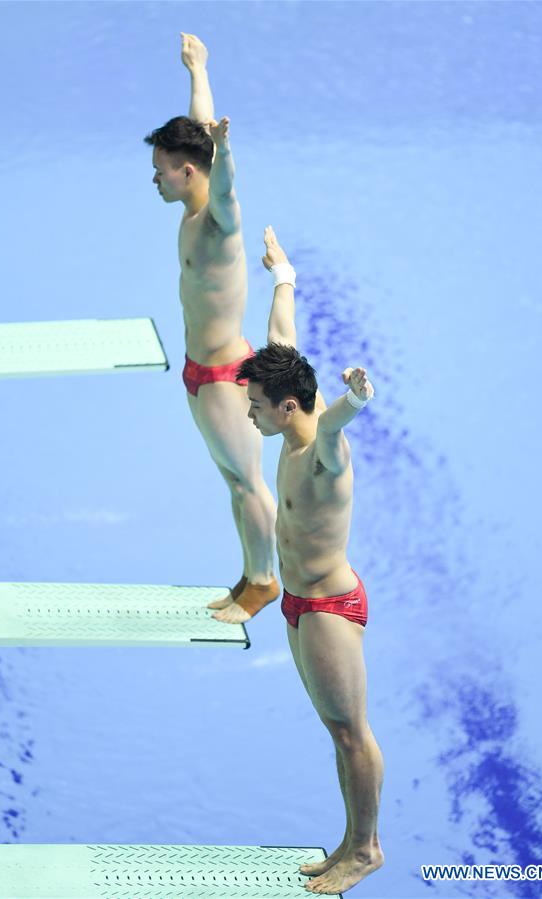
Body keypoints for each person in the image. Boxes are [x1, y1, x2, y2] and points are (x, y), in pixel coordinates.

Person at [237, 226, 385, 895]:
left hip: (328, 605)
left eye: (255, 407)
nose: (250, 415)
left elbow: (332, 426)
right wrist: (283, 274)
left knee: (352, 733)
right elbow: (281, 333)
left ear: (288, 405)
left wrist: (356, 397)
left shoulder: (323, 449)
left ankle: (366, 849)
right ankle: (348, 842)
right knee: (336, 731)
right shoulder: (291, 403)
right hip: (298, 603)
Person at [144, 34, 278, 623]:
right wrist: (198, 69)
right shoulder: (192, 203)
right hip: (199, 372)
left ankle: (265, 582)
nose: (155, 180)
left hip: (226, 377)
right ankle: (249, 573)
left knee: (248, 483)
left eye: (161, 172)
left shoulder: (220, 221)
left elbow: (224, 181)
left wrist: (227, 151)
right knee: (232, 481)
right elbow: (203, 128)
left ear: (188, 170)